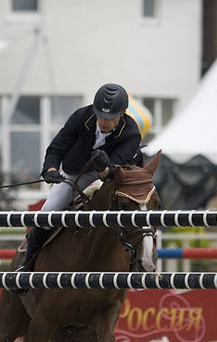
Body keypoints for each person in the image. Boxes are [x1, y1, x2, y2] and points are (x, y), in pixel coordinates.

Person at [18, 83, 144, 272]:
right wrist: (51, 169)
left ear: (122, 115)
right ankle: (27, 264)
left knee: (135, 211)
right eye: (101, 115)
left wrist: (104, 169)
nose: (104, 121)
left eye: (110, 118)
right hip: (77, 171)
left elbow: (113, 171)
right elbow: (57, 148)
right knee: (48, 210)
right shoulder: (81, 117)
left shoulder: (131, 132)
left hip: (114, 175)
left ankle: (138, 262)